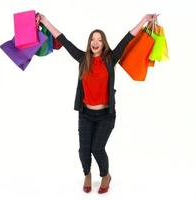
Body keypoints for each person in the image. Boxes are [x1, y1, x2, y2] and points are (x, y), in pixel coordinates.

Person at [36, 13, 157, 194]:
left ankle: (105, 175)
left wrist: (143, 21)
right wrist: (44, 21)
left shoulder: (110, 59)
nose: (95, 42)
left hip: (105, 116)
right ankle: (87, 174)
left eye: (99, 39)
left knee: (97, 148)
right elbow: (63, 39)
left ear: (103, 43)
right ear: (89, 42)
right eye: (93, 39)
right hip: (85, 114)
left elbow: (127, 39)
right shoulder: (82, 58)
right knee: (84, 150)